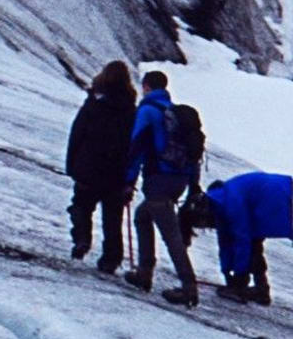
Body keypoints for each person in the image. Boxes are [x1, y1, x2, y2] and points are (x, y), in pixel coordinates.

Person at [128, 69, 205, 306]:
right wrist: (192, 183)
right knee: (142, 216)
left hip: (158, 178)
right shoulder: (177, 114)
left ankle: (188, 287)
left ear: (147, 87)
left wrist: (128, 180)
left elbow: (136, 146)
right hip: (178, 179)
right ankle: (144, 271)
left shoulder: (149, 111)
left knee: (170, 233)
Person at [65, 63, 140, 271]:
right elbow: (134, 146)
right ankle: (111, 259)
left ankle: (82, 239)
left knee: (81, 207)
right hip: (116, 173)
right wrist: (130, 180)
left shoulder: (93, 105)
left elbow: (77, 135)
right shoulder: (132, 111)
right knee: (112, 219)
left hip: (88, 167)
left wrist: (72, 165)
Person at [203, 167, 293, 305]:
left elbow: (242, 240)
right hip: (271, 191)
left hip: (272, 196)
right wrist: (227, 271)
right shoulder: (221, 202)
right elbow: (224, 241)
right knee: (253, 242)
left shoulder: (231, 205)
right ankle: (261, 288)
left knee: (252, 242)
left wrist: (239, 277)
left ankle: (254, 289)